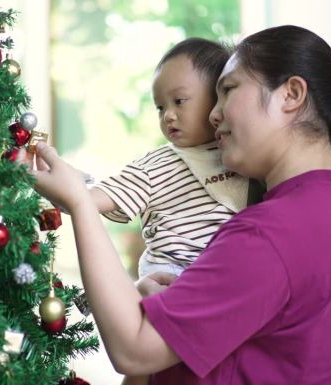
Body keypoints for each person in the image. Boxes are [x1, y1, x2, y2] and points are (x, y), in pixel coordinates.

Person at [24, 24, 331, 385]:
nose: (214, 114)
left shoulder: (269, 232)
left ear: (291, 94)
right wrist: (167, 306)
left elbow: (133, 350)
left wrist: (80, 203)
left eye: (228, 89)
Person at [89, 38, 252, 280]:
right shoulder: (156, 165)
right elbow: (97, 198)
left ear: (217, 99)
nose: (168, 116)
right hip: (170, 274)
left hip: (225, 278)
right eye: (160, 107)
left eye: (179, 101)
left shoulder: (244, 155)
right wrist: (67, 185)